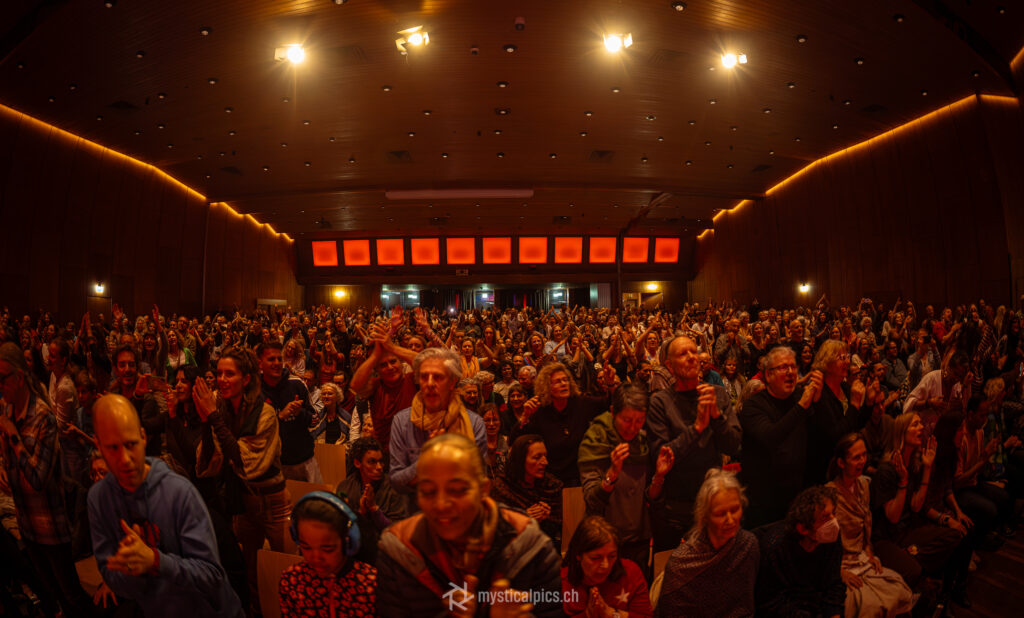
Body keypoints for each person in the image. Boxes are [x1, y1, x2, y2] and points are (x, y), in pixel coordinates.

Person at [88, 393, 243, 618]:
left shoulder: (179, 492)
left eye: (131, 445)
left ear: (143, 437)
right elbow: (110, 574)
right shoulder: (99, 499)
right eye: (113, 448)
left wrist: (156, 561)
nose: (125, 459)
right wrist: (132, 570)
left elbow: (212, 576)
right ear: (98, 446)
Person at [376, 433, 563, 616]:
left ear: (483, 490)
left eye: (457, 490)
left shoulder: (528, 543)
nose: (441, 504)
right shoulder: (400, 548)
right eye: (428, 491)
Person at [0, 342, 96, 617]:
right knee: (51, 591)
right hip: (26, 520)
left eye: (3, 378)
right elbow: (9, 459)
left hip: (50, 526)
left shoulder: (43, 418)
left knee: (71, 594)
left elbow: (38, 478)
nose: (0, 386)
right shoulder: (6, 409)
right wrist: (5, 467)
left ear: (19, 377)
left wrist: (13, 438)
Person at [194, 346, 290, 614]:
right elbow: (211, 461)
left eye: (229, 374)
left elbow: (246, 463)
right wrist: (206, 421)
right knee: (250, 571)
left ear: (246, 379)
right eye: (219, 373)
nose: (221, 380)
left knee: (282, 567)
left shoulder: (265, 413)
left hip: (274, 501)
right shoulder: (224, 411)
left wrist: (213, 417)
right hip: (245, 501)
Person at [648, 335, 742, 549]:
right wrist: (697, 428)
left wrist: (716, 417)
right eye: (683, 354)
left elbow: (733, 445)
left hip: (713, 503)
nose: (692, 357)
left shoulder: (717, 394)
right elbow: (661, 458)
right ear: (669, 366)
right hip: (675, 509)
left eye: (694, 352)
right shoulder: (660, 402)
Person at [870, 412, 972, 608]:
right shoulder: (886, 470)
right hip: (885, 538)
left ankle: (911, 556)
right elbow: (893, 517)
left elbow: (916, 506)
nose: (921, 428)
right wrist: (903, 482)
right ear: (902, 432)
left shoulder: (914, 464)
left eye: (920, 424)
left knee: (955, 535)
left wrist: (926, 468)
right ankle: (918, 576)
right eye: (915, 424)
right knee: (915, 570)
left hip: (906, 531)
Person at [579, 383, 674, 567]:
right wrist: (612, 475)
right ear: (613, 412)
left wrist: (659, 476)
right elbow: (592, 500)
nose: (632, 428)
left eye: (639, 420)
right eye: (627, 420)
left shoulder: (645, 441)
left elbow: (650, 497)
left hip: (639, 538)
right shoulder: (595, 442)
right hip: (603, 539)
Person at [825, 433, 913, 617]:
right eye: (856, 457)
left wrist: (869, 552)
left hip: (862, 558)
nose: (862, 461)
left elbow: (865, 531)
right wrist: (839, 572)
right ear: (841, 463)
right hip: (842, 564)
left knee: (899, 590)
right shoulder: (828, 495)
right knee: (870, 607)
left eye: (864, 455)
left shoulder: (864, 485)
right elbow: (821, 546)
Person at [739, 346, 823, 527]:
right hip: (763, 501)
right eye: (784, 367)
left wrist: (818, 403)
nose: (791, 372)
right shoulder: (753, 405)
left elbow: (819, 438)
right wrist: (802, 406)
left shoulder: (800, 396)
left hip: (797, 494)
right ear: (768, 375)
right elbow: (771, 437)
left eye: (793, 366)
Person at [657, 468, 759, 618]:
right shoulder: (681, 563)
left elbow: (747, 606)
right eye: (720, 514)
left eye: (735, 509)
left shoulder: (748, 545)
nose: (730, 520)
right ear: (704, 516)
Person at [389, 347, 487, 495]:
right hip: (417, 505)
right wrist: (427, 459)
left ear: (452, 382)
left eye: (438, 377)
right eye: (424, 377)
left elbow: (479, 480)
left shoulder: (474, 423)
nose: (429, 383)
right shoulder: (402, 421)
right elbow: (396, 482)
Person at [279, 491, 377, 617]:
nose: (316, 558)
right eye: (306, 547)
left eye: (327, 549)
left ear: (348, 541)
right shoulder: (292, 581)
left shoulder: (372, 586)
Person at [754, 486, 846, 618]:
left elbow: (834, 583)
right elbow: (771, 602)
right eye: (825, 517)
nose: (834, 522)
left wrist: (834, 613)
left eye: (834, 513)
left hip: (815, 607)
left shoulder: (831, 538)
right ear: (803, 529)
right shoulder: (775, 548)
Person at [514, 362, 607, 487]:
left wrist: (611, 384)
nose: (564, 384)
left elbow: (608, 404)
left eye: (565, 380)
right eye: (558, 381)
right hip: (551, 480)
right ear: (547, 387)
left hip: (583, 477)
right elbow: (515, 441)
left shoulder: (581, 403)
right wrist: (525, 417)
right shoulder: (540, 412)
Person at [806, 340, 872, 486]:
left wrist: (868, 404)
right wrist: (854, 404)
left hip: (848, 465)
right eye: (842, 358)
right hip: (826, 469)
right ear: (827, 362)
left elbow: (855, 425)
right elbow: (834, 436)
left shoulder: (845, 387)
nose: (847, 362)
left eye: (848, 357)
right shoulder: (819, 393)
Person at [561, 515, 654, 618]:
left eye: (612, 556)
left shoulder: (630, 572)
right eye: (596, 558)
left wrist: (611, 614)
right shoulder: (559, 582)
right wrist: (586, 615)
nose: (606, 565)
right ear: (578, 556)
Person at [256, 341, 322, 483]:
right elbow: (256, 431)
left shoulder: (297, 384)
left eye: (279, 359)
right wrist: (280, 416)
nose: (277, 363)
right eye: (271, 359)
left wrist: (300, 413)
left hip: (304, 460)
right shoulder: (255, 391)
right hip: (273, 464)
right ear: (260, 364)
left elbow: (315, 420)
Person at [336, 437, 407, 565]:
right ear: (357, 463)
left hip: (385, 555)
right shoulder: (345, 488)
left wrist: (374, 509)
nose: (379, 467)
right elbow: (340, 528)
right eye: (372, 462)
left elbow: (398, 532)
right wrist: (361, 513)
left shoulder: (394, 488)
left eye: (381, 461)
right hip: (354, 553)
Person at [491, 434, 564, 547]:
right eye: (537, 457)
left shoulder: (552, 486)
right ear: (520, 460)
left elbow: (557, 528)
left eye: (545, 456)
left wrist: (546, 518)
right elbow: (496, 530)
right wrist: (524, 518)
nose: (545, 462)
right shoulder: (502, 487)